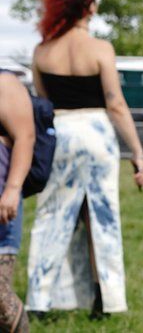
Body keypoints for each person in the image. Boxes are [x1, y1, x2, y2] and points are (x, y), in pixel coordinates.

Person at [27, 0, 143, 317]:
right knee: (102, 216)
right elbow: (116, 104)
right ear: (89, 7)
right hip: (96, 134)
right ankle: (105, 300)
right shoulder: (100, 49)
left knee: (51, 215)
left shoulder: (42, 51)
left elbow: (43, 101)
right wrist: (137, 152)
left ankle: (40, 299)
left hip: (59, 133)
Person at [0, 72, 35, 331]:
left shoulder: (5, 84)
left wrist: (12, 189)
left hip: (2, 204)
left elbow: (25, 137)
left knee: (0, 297)